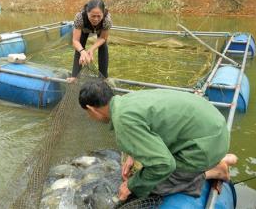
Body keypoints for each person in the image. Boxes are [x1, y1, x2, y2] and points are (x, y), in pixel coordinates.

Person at [78, 80, 238, 201]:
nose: (89, 117)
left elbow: (164, 165)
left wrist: (132, 185)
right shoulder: (125, 100)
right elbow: (152, 124)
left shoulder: (122, 121)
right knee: (147, 171)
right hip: (215, 128)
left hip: (206, 143)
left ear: (92, 109)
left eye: (88, 113)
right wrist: (133, 154)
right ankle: (220, 157)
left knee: (152, 186)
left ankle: (214, 170)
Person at [67, 0, 112, 82]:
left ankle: (104, 77)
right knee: (80, 46)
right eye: (93, 16)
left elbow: (103, 38)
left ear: (103, 13)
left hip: (99, 30)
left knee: (103, 46)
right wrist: (82, 51)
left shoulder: (107, 19)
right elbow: (75, 41)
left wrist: (91, 49)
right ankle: (75, 76)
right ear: (87, 13)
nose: (96, 19)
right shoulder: (79, 17)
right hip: (84, 29)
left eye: (99, 16)